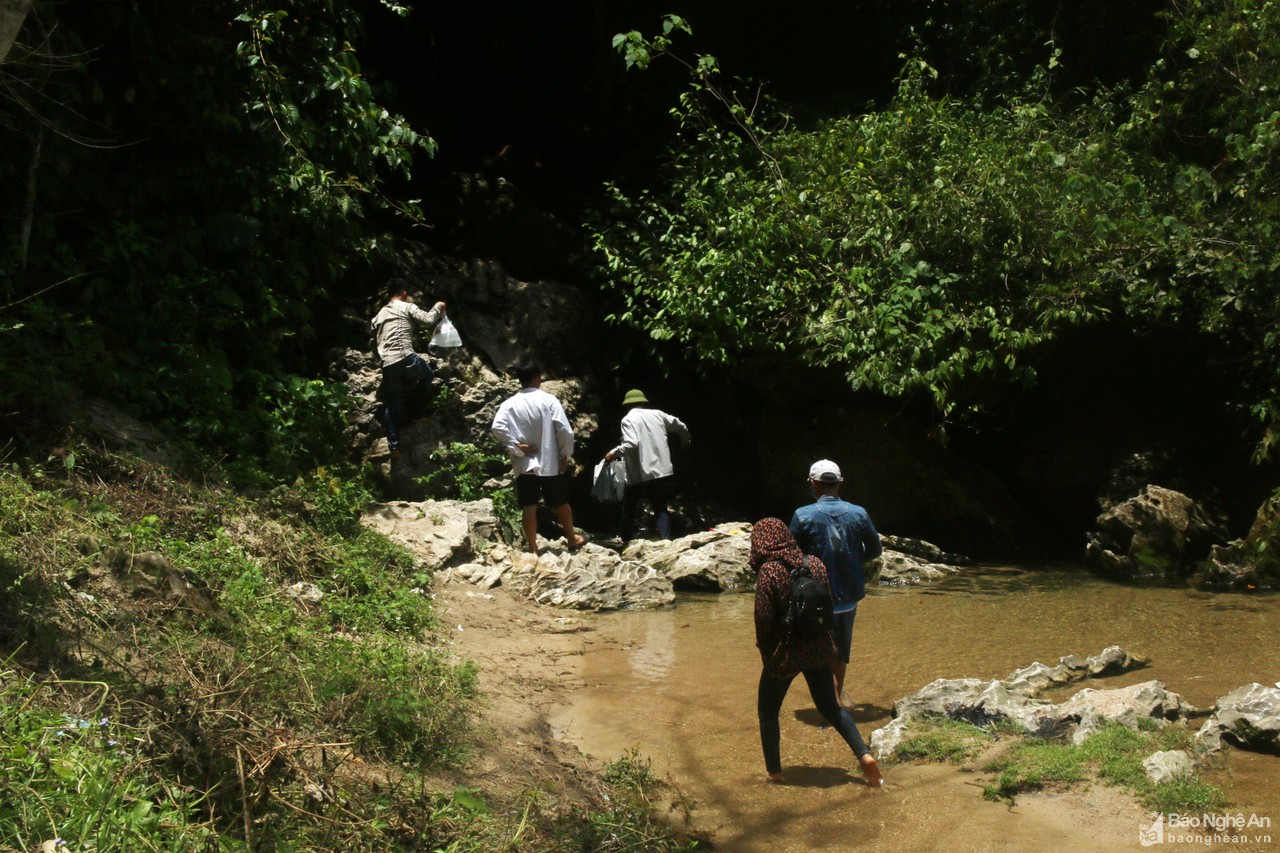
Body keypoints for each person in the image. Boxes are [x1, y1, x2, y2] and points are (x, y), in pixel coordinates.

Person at [752, 517, 884, 787]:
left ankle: (775, 773)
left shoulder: (769, 570)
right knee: (831, 709)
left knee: (767, 713)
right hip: (819, 647)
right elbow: (828, 605)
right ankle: (864, 756)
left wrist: (765, 649)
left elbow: (764, 618)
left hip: (785, 653)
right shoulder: (814, 563)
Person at [789, 459, 882, 703]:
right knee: (840, 651)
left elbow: (791, 556)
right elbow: (875, 549)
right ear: (839, 483)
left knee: (817, 650)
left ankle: (826, 703)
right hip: (848, 596)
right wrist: (853, 562)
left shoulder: (802, 515)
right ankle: (836, 699)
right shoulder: (859, 513)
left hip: (814, 596)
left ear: (812, 483)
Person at [490, 362, 587, 554]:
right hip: (550, 460)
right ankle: (571, 538)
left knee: (529, 505)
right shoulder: (548, 400)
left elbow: (497, 427)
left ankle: (533, 547)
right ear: (537, 378)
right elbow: (564, 430)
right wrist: (565, 454)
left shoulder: (509, 404)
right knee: (560, 501)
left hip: (525, 463)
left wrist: (516, 446)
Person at [370, 278, 446, 458]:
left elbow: (373, 342)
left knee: (392, 403)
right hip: (405, 357)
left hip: (387, 363)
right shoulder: (407, 307)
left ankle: (394, 447)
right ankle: (417, 413)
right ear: (404, 293)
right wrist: (438, 306)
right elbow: (427, 320)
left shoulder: (378, 315)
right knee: (427, 375)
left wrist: (379, 359)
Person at [603, 389, 691, 541]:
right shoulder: (657, 414)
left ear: (627, 405)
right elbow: (680, 426)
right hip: (660, 470)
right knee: (660, 507)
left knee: (629, 507)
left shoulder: (627, 420)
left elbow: (631, 444)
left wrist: (613, 453)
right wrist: (686, 441)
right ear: (643, 402)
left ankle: (625, 542)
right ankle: (667, 540)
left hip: (639, 472)